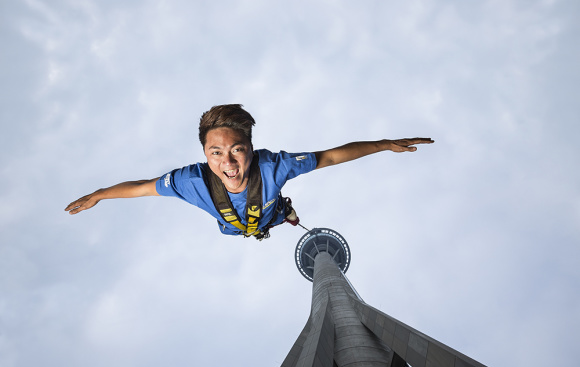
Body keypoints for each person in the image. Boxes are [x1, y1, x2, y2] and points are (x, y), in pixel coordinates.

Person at [65, 104, 433, 240]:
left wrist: (383, 144)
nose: (228, 163)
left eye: (237, 150)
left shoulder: (275, 166)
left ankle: (284, 212)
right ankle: (278, 216)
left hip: (267, 214)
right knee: (260, 224)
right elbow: (143, 187)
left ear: (251, 149)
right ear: (205, 155)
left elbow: (332, 157)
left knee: (278, 215)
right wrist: (98, 195)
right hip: (236, 226)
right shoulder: (190, 181)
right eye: (216, 153)